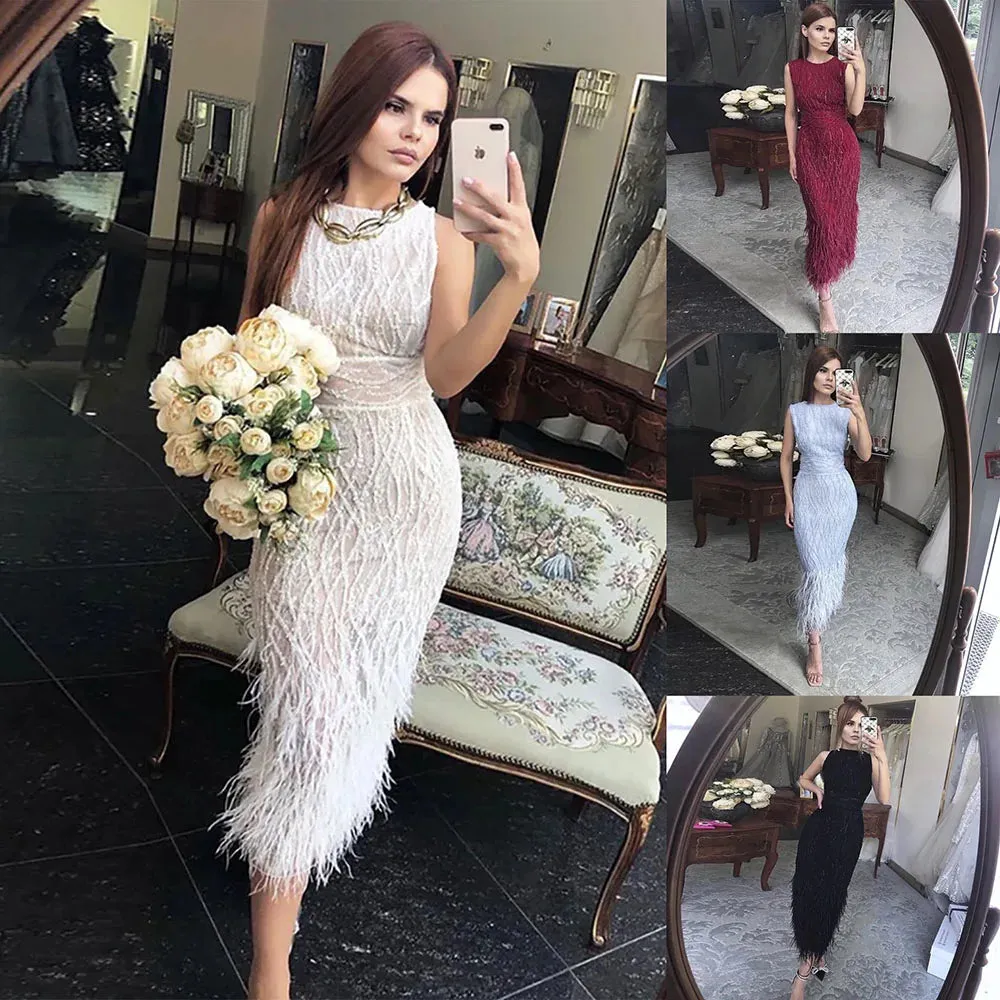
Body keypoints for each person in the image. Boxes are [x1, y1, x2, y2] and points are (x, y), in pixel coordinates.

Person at [221, 22, 540, 1000]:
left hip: (404, 490)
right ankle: (273, 962)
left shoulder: (439, 238)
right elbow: (249, 355)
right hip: (306, 488)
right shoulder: (282, 218)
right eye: (397, 106)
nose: (414, 133)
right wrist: (233, 444)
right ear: (355, 103)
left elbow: (445, 374)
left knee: (344, 708)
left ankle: (277, 927)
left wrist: (517, 279)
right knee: (307, 708)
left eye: (433, 119)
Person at [780, 346, 872, 686]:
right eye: (823, 371)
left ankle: (814, 636)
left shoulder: (844, 412)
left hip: (839, 497)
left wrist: (859, 411)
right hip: (807, 492)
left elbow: (864, 454)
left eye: (836, 373)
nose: (830, 378)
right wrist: (788, 498)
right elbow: (786, 457)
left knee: (827, 563)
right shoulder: (796, 412)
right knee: (812, 564)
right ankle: (814, 642)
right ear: (812, 373)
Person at [789, 697, 891, 998]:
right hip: (818, 830)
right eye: (850, 723)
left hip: (848, 835)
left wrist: (882, 755)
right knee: (807, 892)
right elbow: (803, 778)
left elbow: (884, 798)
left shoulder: (871, 761)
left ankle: (809, 965)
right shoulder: (826, 756)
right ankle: (810, 961)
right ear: (840, 725)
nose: (856, 729)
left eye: (862, 724)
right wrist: (817, 789)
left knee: (832, 895)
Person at [783, 2, 866, 334]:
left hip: (843, 151)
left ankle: (831, 264)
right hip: (810, 150)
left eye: (832, 30)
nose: (827, 36)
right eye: (820, 29)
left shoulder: (842, 68)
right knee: (820, 219)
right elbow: (791, 113)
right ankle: (824, 297)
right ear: (805, 31)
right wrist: (792, 156)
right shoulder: (793, 69)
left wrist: (860, 69)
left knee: (840, 214)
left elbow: (855, 110)